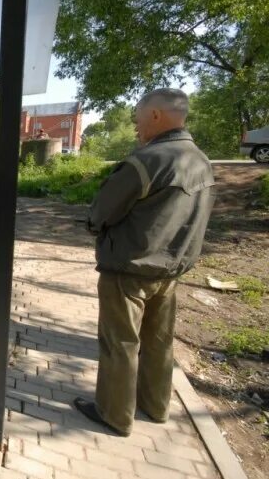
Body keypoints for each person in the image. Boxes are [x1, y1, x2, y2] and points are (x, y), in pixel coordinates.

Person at [75, 88, 214, 437]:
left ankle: (115, 415)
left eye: (138, 116)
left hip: (129, 270)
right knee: (158, 341)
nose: (136, 125)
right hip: (171, 271)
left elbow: (102, 210)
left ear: (155, 115)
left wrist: (93, 225)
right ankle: (155, 406)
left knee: (120, 342)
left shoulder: (147, 161)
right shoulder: (201, 161)